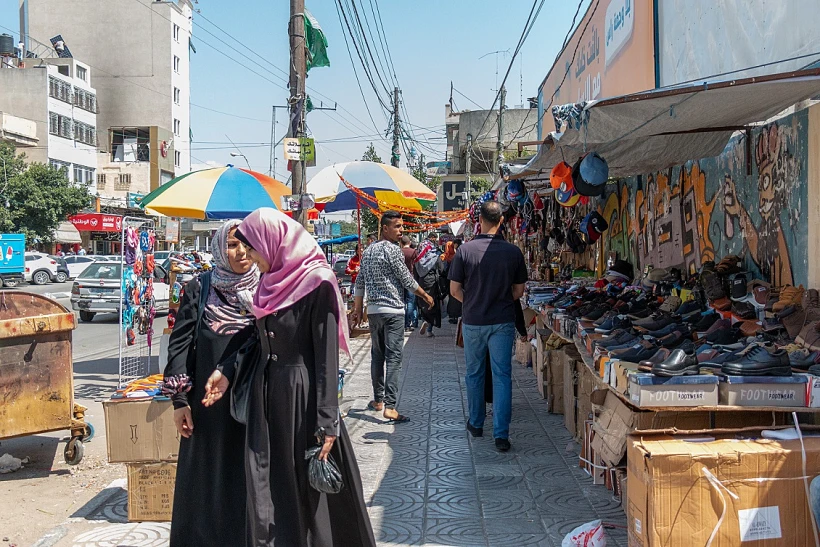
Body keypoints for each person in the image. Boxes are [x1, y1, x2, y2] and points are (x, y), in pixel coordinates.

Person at [202, 208, 376, 547]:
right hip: (264, 399)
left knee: (304, 490)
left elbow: (326, 358)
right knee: (263, 483)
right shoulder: (268, 284)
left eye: (252, 249)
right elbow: (255, 337)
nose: (250, 258)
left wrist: (328, 421)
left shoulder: (317, 284)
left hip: (302, 401)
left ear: (273, 242)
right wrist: (225, 370)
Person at [163, 220, 259, 546]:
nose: (241, 251)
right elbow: (178, 346)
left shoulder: (267, 289)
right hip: (207, 408)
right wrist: (179, 402)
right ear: (220, 248)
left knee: (248, 480)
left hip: (252, 404)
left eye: (247, 243)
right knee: (206, 483)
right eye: (233, 244)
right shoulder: (199, 288)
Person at [449, 201, 527, 452]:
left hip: (474, 321)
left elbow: (454, 290)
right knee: (502, 376)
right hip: (502, 321)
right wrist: (500, 299)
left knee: (474, 374)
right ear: (502, 221)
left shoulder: (465, 251)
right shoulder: (513, 252)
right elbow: (519, 290)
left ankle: (476, 423)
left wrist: (473, 301)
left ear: (478, 220)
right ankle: (501, 435)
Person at [351, 211, 434, 422]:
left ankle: (378, 400)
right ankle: (390, 406)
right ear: (385, 228)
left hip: (374, 313)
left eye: (401, 226)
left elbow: (360, 281)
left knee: (377, 356)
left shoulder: (368, 251)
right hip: (393, 312)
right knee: (394, 358)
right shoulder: (393, 251)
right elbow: (406, 279)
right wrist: (425, 295)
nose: (401, 230)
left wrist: (358, 307)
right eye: (397, 226)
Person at [414, 233, 443, 337]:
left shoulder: (418, 259)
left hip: (421, 282)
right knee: (432, 304)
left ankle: (424, 320)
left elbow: (415, 273)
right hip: (433, 282)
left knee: (422, 303)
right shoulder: (435, 257)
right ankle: (429, 329)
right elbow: (442, 270)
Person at [439, 240, 462, 324]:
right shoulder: (456, 256)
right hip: (455, 280)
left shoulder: (442, 257)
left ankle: (452, 315)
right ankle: (455, 315)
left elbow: (441, 270)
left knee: (451, 297)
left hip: (446, 280)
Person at [401, 235, 418, 332]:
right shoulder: (414, 252)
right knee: (410, 302)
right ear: (410, 243)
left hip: (400, 280)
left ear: (401, 243)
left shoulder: (398, 251)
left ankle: (404, 324)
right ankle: (409, 323)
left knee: (402, 302)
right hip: (411, 279)